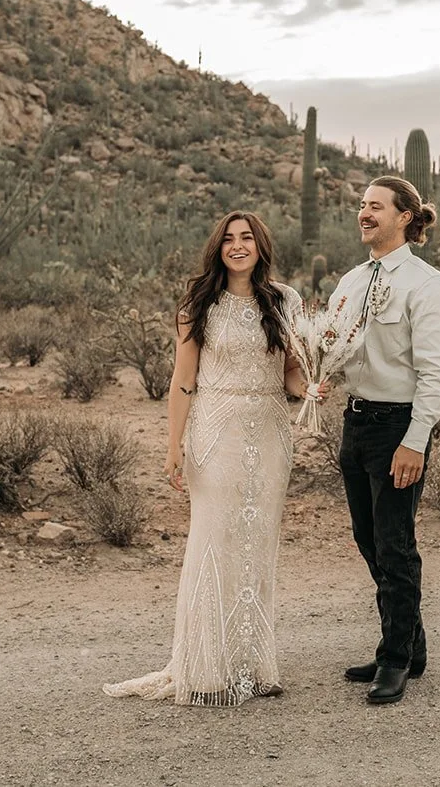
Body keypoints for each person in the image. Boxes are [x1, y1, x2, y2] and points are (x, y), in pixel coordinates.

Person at [103, 211, 312, 707]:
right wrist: (173, 445)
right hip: (216, 431)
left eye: (247, 238)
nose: (237, 246)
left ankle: (252, 667)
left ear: (261, 245)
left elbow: (291, 375)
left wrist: (313, 387)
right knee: (214, 539)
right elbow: (182, 379)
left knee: (257, 544)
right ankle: (205, 669)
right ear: (217, 248)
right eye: (228, 240)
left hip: (269, 433)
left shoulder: (285, 301)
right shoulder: (199, 302)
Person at [323, 176, 440, 705]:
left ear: (404, 216)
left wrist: (415, 441)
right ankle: (409, 640)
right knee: (366, 538)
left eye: (375, 206)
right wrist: (320, 368)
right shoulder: (351, 281)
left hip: (398, 427)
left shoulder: (426, 286)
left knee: (395, 544)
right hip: (355, 422)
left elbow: (434, 372)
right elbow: (336, 345)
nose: (364, 213)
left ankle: (396, 657)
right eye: (361, 205)